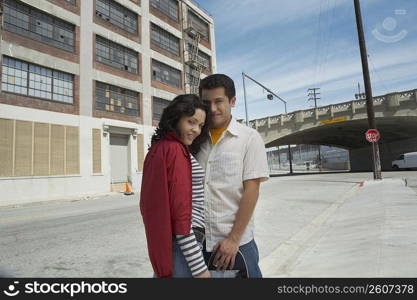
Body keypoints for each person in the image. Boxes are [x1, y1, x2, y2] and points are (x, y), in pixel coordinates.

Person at [197, 74, 269, 278]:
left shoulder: (249, 138)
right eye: (206, 102)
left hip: (236, 246)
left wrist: (233, 240)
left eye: (218, 101)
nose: (212, 109)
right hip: (198, 245)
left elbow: (252, 191)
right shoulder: (196, 139)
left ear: (232, 101)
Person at [140, 94, 211, 278]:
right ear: (176, 118)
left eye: (200, 125)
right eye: (191, 122)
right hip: (185, 245)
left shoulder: (159, 148)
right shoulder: (175, 150)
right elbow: (181, 217)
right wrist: (201, 271)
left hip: (172, 244)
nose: (196, 130)